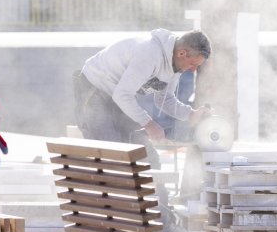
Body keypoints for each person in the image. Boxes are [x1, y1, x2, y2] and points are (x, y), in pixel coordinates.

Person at [73, 29, 213, 167]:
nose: (193, 70)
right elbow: (123, 95)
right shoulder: (150, 53)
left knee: (147, 159)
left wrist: (191, 114)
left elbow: (165, 100)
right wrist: (149, 124)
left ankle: (158, 189)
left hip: (118, 97)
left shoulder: (175, 65)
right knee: (112, 153)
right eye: (193, 64)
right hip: (94, 89)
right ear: (182, 53)